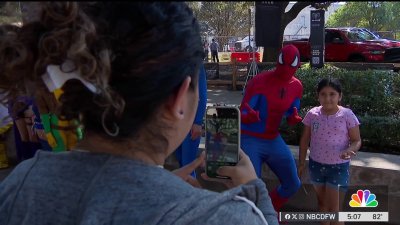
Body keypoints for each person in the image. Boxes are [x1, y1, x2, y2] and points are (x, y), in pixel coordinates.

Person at [0, 2, 278, 225]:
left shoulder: (19, 184)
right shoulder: (223, 217)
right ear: (179, 97)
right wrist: (255, 189)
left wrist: (156, 186)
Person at [240, 44, 303, 215]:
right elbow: (243, 110)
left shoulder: (296, 86)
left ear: (298, 65)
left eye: (291, 64)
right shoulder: (259, 81)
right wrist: (248, 116)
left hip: (272, 138)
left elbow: (293, 110)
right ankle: (252, 216)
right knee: (251, 185)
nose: (286, 68)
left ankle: (269, 211)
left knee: (293, 183)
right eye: (284, 62)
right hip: (250, 137)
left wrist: (293, 117)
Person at [298, 78, 361, 225]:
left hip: (338, 168)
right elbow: (304, 140)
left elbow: (357, 140)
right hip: (316, 167)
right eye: (323, 94)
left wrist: (350, 150)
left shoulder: (347, 115)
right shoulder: (312, 114)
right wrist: (301, 163)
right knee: (322, 206)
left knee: (335, 209)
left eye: (332, 94)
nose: (327, 98)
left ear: (340, 96)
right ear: (317, 96)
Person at [174, 64, 207, 178]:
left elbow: (202, 95)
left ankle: (190, 191)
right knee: (180, 160)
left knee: (188, 163)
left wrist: (197, 122)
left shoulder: (195, 63)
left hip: (190, 122)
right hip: (173, 122)